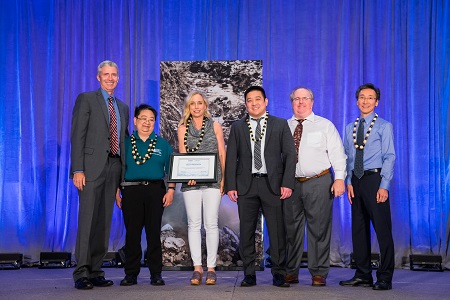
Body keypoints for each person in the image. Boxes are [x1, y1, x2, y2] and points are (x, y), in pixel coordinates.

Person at [225, 86, 296, 288]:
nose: (254, 103)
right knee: (246, 231)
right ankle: (249, 274)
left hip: (272, 185)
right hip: (246, 186)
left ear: (266, 101)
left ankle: (279, 274)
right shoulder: (238, 127)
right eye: (249, 100)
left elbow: (290, 155)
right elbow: (232, 158)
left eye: (258, 99)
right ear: (245, 104)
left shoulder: (280, 124)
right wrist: (231, 185)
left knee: (277, 232)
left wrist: (287, 183)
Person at [70, 60, 130, 290]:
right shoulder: (86, 99)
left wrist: (121, 182)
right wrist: (78, 169)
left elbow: (123, 142)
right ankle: (81, 272)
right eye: (106, 74)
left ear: (118, 78)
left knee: (104, 221)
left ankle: (95, 270)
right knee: (87, 221)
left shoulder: (122, 107)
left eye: (114, 74)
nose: (110, 78)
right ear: (98, 77)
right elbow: (78, 136)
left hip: (114, 169)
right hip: (90, 169)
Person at [283, 87, 346, 286]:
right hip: (291, 184)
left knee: (319, 229)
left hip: (319, 181)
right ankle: (290, 271)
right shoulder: (284, 126)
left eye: (305, 99)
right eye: (296, 99)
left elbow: (337, 153)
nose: (300, 102)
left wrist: (340, 178)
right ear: (291, 102)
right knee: (290, 229)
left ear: (312, 102)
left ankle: (318, 272)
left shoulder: (325, 125)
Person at [339, 83, 396, 290]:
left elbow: (390, 156)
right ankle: (363, 274)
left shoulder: (384, 126)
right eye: (362, 97)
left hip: (375, 179)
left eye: (370, 97)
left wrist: (384, 185)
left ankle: (385, 277)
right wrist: (347, 182)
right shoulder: (349, 128)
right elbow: (345, 157)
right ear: (356, 101)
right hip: (356, 181)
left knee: (383, 230)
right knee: (359, 229)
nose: (365, 101)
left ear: (377, 102)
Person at [115, 104, 175, 286]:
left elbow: (172, 169)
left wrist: (171, 189)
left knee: (153, 233)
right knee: (132, 234)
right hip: (131, 191)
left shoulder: (162, 144)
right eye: (143, 119)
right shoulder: (124, 144)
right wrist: (116, 191)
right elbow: (117, 169)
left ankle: (156, 273)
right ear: (135, 120)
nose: (147, 123)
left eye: (151, 120)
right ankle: (131, 274)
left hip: (155, 191)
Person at [177, 91, 226, 285]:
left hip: (213, 181)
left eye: (200, 103)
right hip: (191, 182)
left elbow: (222, 153)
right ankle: (197, 268)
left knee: (211, 224)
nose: (196, 107)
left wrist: (224, 180)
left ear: (205, 105)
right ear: (188, 107)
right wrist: (186, 176)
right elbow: (182, 155)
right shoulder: (182, 128)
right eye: (192, 104)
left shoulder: (215, 126)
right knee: (194, 224)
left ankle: (211, 268)